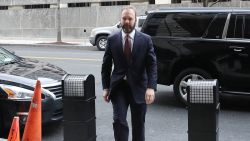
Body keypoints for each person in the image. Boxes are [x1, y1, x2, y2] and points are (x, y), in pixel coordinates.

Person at [101, 6, 157, 141]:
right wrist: (106, 87)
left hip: (139, 87)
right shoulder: (112, 39)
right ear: (120, 20)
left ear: (135, 20)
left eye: (130, 19)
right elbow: (106, 65)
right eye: (124, 18)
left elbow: (152, 65)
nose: (127, 21)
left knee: (138, 124)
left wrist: (151, 87)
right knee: (119, 121)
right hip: (119, 87)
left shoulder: (145, 40)